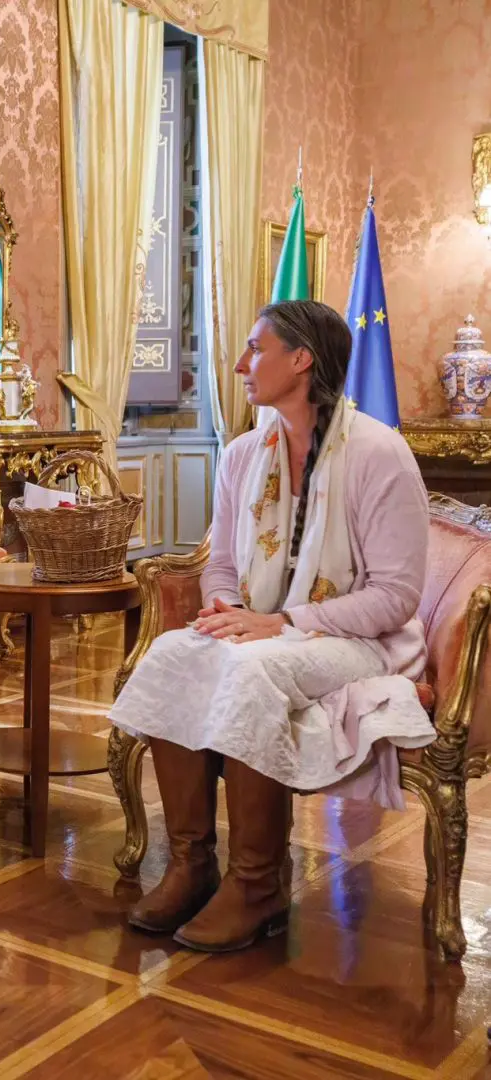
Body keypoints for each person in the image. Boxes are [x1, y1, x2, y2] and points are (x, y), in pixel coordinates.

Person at [109, 299, 436, 952]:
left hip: (359, 642)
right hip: (266, 629)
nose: (239, 365)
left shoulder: (379, 454)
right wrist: (224, 609)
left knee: (248, 667)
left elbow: (395, 598)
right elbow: (221, 565)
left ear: (301, 359)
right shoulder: (241, 455)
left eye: (255, 349)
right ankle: (191, 865)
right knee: (173, 653)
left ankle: (257, 883)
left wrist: (280, 620)